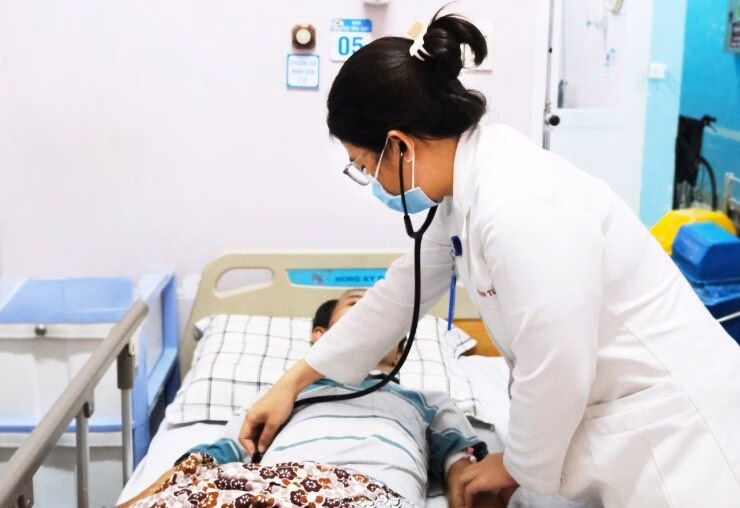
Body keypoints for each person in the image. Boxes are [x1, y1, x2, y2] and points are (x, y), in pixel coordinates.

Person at [240, 9, 740, 508]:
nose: (372, 182)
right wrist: (294, 381)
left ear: (399, 146)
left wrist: (517, 465)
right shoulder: (463, 193)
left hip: (681, 439)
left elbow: (558, 362)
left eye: (365, 165)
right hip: (631, 429)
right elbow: (398, 295)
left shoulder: (518, 205)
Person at [118, 290, 504, 508]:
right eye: (357, 306)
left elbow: (463, 468)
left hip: (373, 494)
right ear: (320, 336)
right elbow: (214, 457)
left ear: (399, 346)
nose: (372, 317)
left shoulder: (425, 401)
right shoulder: (283, 398)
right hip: (270, 489)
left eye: (380, 313)